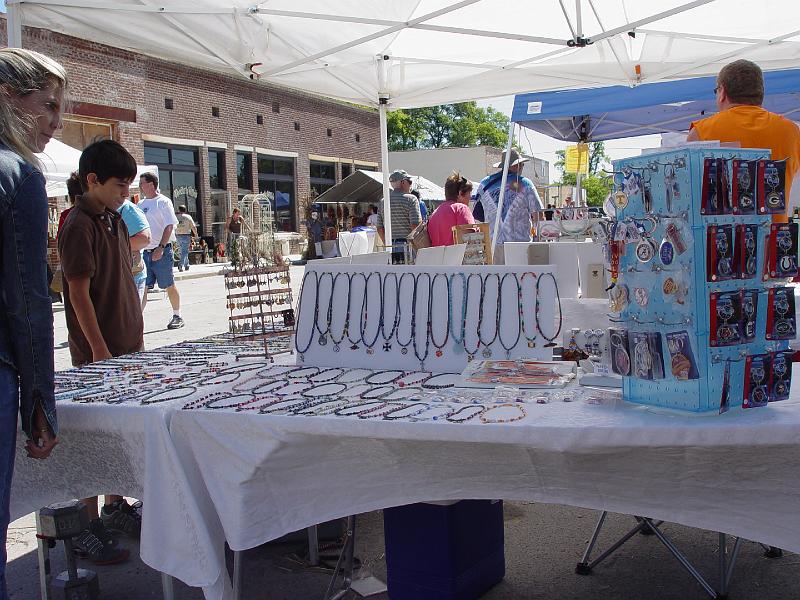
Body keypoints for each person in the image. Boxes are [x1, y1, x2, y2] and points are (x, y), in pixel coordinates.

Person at [58, 140, 145, 563]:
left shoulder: (115, 219)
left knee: (120, 434)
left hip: (127, 347)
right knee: (95, 439)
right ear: (92, 180)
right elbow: (77, 293)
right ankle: (86, 522)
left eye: (128, 186)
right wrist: (97, 348)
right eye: (119, 186)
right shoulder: (78, 224)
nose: (125, 193)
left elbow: (123, 277)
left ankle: (114, 505)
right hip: (100, 354)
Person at [0, 47, 64, 595]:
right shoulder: (19, 174)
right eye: (48, 105)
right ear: (8, 99)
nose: (56, 123)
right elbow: (27, 298)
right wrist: (39, 399)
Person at [687, 59, 800, 221]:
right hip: (774, 234)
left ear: (722, 92)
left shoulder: (701, 132)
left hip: (719, 235)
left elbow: (690, 191)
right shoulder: (791, 131)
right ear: (759, 92)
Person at [472, 149, 543, 264]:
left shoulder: (484, 184)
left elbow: (477, 215)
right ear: (516, 165)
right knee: (520, 275)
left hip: (493, 244)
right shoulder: (525, 184)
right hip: (520, 244)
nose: (522, 167)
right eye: (521, 164)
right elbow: (539, 216)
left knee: (497, 275)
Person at [138, 172, 184, 329]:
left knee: (168, 284)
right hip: (144, 252)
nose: (140, 186)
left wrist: (161, 247)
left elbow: (169, 225)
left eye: (142, 183)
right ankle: (136, 321)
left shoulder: (163, 202)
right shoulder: (140, 204)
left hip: (161, 251)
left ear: (151, 184)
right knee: (143, 287)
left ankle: (177, 315)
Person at [118, 195, 151, 308]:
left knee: (129, 318)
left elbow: (144, 239)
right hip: (109, 277)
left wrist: (108, 247)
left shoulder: (126, 208)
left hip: (130, 276)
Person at [427, 172, 476, 247]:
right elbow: (468, 239)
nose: (470, 197)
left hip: (438, 254)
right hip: (457, 253)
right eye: (469, 193)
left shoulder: (435, 213)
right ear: (460, 193)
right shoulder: (461, 208)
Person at [386, 169, 422, 263]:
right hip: (407, 246)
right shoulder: (411, 199)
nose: (410, 185)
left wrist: (388, 242)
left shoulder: (384, 201)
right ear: (403, 182)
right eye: (409, 182)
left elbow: (380, 228)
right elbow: (415, 225)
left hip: (389, 246)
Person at [175, 205, 197, 272]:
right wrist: (196, 234)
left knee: (182, 251)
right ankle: (180, 265)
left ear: (179, 210)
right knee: (184, 251)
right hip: (186, 235)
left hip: (178, 235)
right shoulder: (188, 217)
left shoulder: (175, 217)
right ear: (185, 210)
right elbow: (193, 226)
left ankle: (186, 265)